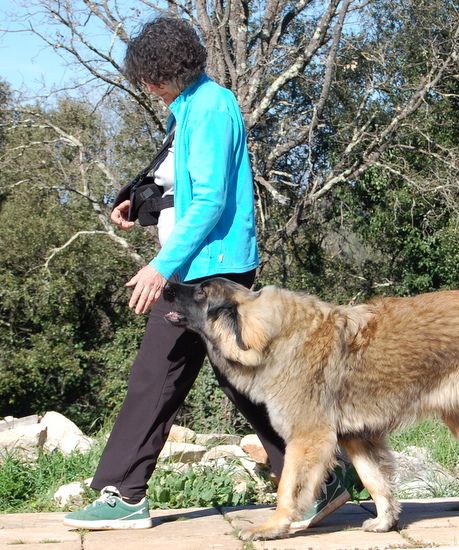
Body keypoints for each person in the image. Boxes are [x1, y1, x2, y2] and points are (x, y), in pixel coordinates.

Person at [63, 16, 348, 530]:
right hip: (198, 266)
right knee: (238, 377)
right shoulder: (188, 107)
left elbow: (213, 199)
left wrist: (160, 266)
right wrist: (138, 200)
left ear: (170, 69)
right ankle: (320, 480)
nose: (146, 86)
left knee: (157, 376)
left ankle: (124, 493)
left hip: (206, 272)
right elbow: (183, 185)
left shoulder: (213, 107)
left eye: (151, 76)